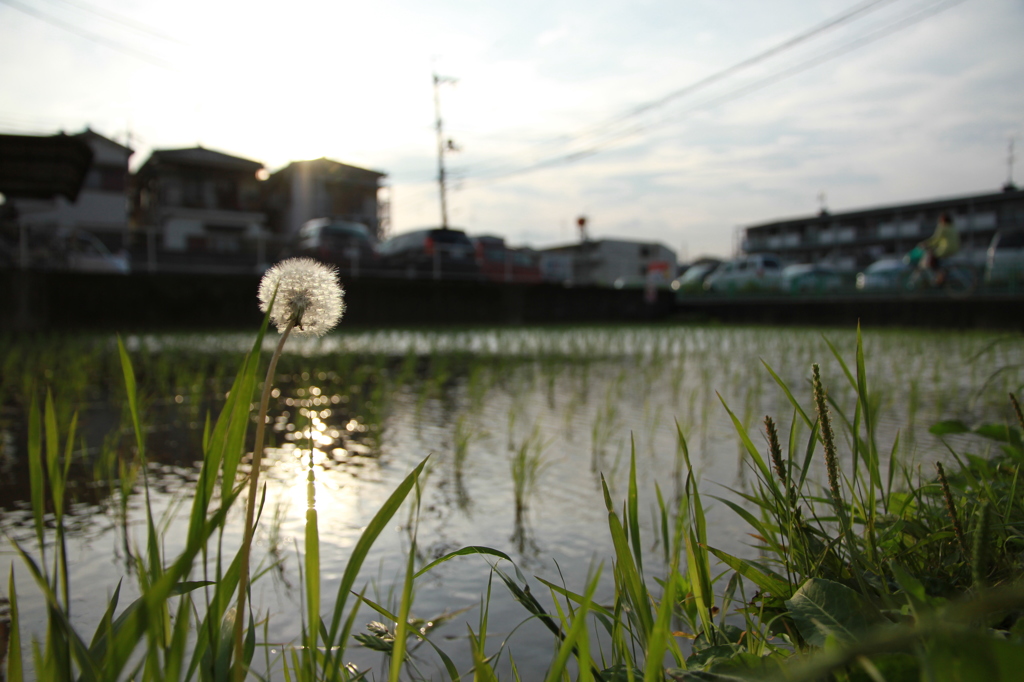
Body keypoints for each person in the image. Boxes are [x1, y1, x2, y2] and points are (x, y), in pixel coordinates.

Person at [920, 212, 960, 286]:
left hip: (946, 248)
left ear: (943, 220)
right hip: (954, 248)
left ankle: (939, 277)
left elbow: (936, 239)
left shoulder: (943, 227)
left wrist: (926, 243)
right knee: (940, 262)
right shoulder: (952, 227)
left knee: (932, 260)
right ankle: (942, 274)